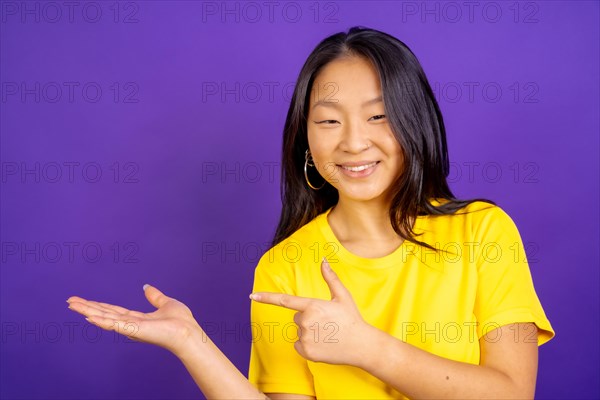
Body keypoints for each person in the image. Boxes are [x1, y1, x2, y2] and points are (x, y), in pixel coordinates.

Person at [67, 26, 555, 399]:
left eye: (378, 116)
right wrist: (192, 343)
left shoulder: (484, 231)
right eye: (327, 121)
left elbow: (512, 391)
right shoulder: (284, 267)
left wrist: (367, 349)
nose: (354, 141)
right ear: (306, 140)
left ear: (415, 122)